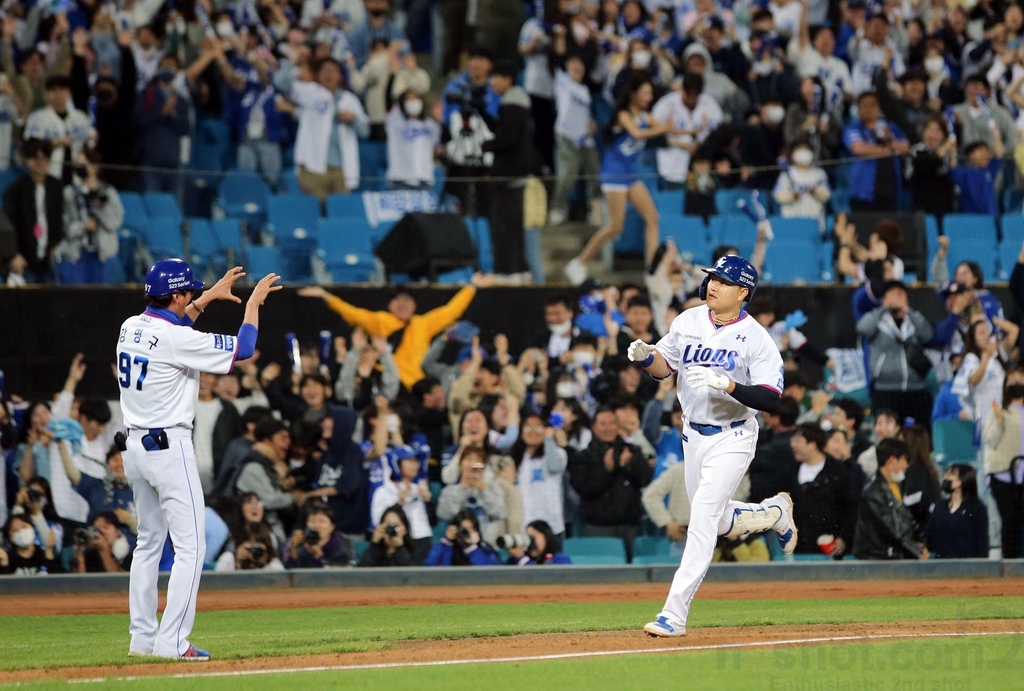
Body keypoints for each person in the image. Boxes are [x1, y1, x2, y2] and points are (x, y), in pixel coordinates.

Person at [118, 261, 280, 661]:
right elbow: (242, 349)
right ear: (175, 295)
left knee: (149, 543)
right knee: (191, 546)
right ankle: (171, 642)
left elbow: (175, 332)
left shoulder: (129, 326)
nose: (191, 295)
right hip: (168, 447)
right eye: (188, 291)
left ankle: (142, 637)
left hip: (135, 449)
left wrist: (205, 300)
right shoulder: (173, 337)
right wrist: (253, 304)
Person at [628, 254, 796, 637]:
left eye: (723, 280)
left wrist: (730, 385)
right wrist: (645, 357)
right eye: (712, 277)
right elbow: (664, 367)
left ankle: (673, 614)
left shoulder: (757, 338)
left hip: (734, 435)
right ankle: (772, 514)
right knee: (717, 520)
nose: (713, 284)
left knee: (702, 517)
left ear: (743, 292)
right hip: (692, 434)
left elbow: (772, 398)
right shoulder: (687, 320)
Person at [564, 79, 683, 285]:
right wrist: (664, 128)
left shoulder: (645, 116)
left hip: (630, 176)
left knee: (652, 217)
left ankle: (651, 270)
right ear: (633, 94)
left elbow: (668, 130)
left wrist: (692, 132)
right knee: (615, 227)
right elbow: (638, 133)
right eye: (645, 92)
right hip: (614, 176)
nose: (649, 97)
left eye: (650, 93)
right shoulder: (623, 115)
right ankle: (578, 263)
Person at [299, 277, 491, 389]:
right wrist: (326, 296)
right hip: (389, 384)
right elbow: (352, 313)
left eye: (407, 300)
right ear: (389, 304)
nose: (403, 304)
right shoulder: (380, 321)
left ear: (415, 304)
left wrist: (471, 286)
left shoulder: (423, 323)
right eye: (397, 300)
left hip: (417, 386)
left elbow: (451, 311)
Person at [481, 60, 534, 281]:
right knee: (512, 225)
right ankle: (518, 269)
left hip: (509, 176)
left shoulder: (513, 104)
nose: (492, 82)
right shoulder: (514, 104)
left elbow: (508, 139)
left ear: (508, 80)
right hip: (516, 174)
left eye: (496, 77)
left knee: (505, 226)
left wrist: (487, 145)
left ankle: (507, 271)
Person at [289, 57, 369, 201]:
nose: (328, 74)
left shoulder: (350, 100)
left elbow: (365, 131)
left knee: (340, 212)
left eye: (332, 71)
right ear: (318, 75)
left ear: (339, 75)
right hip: (312, 165)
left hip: (340, 168)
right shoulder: (311, 93)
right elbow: (282, 84)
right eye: (324, 71)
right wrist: (295, 65)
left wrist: (353, 119)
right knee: (314, 212)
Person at [856, 281, 935, 426]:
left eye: (900, 295)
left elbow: (927, 335)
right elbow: (863, 329)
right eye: (892, 295)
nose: (896, 299)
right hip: (885, 389)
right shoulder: (878, 320)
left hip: (915, 387)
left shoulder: (914, 319)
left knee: (918, 432)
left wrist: (908, 310)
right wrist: (884, 308)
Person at [784, 423, 858, 558]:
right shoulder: (790, 472)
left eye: (798, 441)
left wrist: (844, 538)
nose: (793, 445)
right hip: (800, 548)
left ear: (812, 445)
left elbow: (851, 508)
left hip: (831, 548)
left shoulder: (838, 472)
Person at [853, 437, 929, 561]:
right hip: (877, 559)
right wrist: (918, 551)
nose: (907, 465)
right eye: (904, 460)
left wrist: (918, 542)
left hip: (893, 555)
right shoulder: (873, 492)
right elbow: (893, 529)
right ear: (892, 461)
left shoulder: (896, 486)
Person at [549, 55, 601, 228]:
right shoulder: (562, 81)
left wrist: (591, 123)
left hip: (585, 139)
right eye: (574, 65)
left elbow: (584, 113)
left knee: (594, 174)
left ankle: (595, 212)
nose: (578, 68)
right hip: (567, 137)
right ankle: (558, 209)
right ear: (567, 67)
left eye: (581, 66)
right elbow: (555, 55)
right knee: (567, 176)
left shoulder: (584, 90)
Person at [2, 138, 64, 283]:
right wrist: (14, 254)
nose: (40, 163)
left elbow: (59, 220)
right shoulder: (16, 190)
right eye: (35, 159)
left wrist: (55, 245)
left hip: (48, 259)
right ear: (28, 161)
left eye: (44, 159)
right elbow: (9, 224)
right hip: (24, 259)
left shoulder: (56, 187)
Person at [58, 149, 123, 284]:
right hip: (76, 254)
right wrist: (83, 226)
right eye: (77, 165)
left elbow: (115, 222)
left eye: (83, 164)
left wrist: (100, 209)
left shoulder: (108, 192)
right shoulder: (69, 193)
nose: (79, 168)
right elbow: (64, 226)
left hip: (101, 255)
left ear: (94, 167)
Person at [843, 91, 910, 212]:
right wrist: (888, 150)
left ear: (878, 108)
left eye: (872, 105)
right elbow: (858, 148)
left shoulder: (890, 128)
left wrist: (889, 139)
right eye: (864, 105)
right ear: (858, 109)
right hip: (863, 192)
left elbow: (905, 147)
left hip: (890, 191)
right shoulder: (854, 128)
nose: (869, 109)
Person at [982, 382, 1024, 560]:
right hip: (1003, 473)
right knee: (1009, 519)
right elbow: (989, 439)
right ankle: (1010, 560)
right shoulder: (1000, 411)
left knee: (1018, 520)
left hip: (1021, 473)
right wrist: (999, 421)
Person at [510, 414, 567, 537]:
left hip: (551, 527)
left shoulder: (559, 453)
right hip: (522, 528)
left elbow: (554, 466)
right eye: (528, 427)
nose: (533, 432)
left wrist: (548, 440)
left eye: (538, 427)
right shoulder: (513, 459)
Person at [925, 464, 989, 559]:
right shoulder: (940, 507)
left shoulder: (976, 508)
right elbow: (930, 538)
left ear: (962, 481)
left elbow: (982, 544)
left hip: (968, 567)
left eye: (951, 474)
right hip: (941, 566)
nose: (946, 477)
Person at [384, 90, 440, 190]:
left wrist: (440, 120)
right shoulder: (395, 123)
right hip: (401, 180)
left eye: (416, 98)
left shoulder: (430, 125)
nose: (413, 102)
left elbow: (437, 147)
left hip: (424, 179)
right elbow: (388, 104)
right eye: (409, 99)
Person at [424, 507, 501, 566]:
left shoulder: (485, 548)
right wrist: (447, 544)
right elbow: (431, 567)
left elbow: (490, 573)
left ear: (476, 531)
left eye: (470, 529)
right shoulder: (444, 547)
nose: (465, 533)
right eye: (463, 529)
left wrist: (472, 549)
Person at [285, 503, 354, 568]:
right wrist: (293, 549)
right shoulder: (302, 545)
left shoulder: (341, 548)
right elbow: (290, 574)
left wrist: (319, 556)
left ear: (332, 527)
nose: (316, 525)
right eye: (312, 521)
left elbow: (337, 577)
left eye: (321, 521)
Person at [505, 520, 572, 565]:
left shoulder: (560, 559)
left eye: (532, 538)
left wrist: (522, 559)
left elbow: (543, 579)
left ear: (546, 537)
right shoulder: (516, 560)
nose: (530, 543)